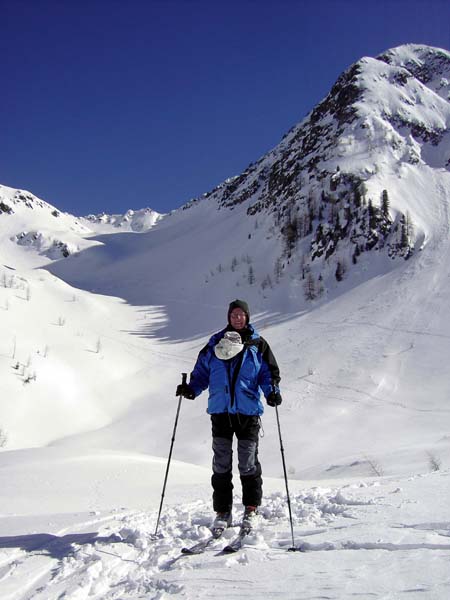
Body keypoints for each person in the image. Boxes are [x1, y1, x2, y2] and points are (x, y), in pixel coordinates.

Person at [176, 299, 282, 530]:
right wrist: (191, 389)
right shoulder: (215, 343)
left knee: (248, 463)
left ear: (247, 317)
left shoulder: (257, 345)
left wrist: (272, 392)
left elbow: (268, 374)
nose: (237, 318)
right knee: (221, 465)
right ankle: (223, 512)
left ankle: (251, 509)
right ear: (228, 317)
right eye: (233, 314)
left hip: (247, 413)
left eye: (241, 314)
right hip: (221, 412)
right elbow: (202, 372)